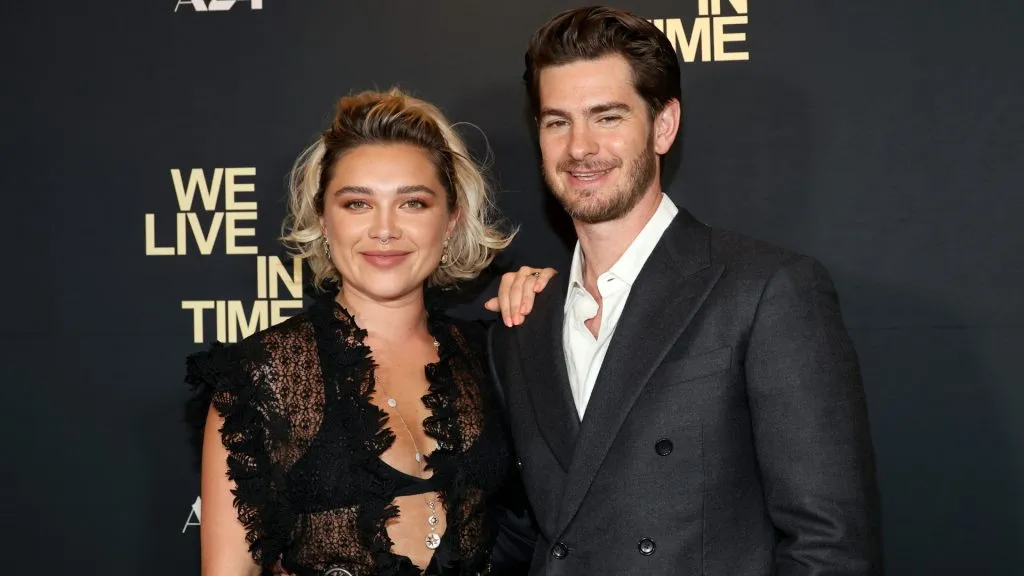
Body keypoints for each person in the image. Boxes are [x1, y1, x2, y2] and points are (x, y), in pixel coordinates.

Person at [487, 7, 883, 575]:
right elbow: (522, 534)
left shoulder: (767, 290)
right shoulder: (523, 323)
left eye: (606, 117)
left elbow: (830, 546)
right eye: (557, 121)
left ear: (663, 125)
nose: (579, 147)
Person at [186, 88, 552, 576]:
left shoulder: (493, 354)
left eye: (413, 204)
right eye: (357, 204)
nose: (384, 229)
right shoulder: (264, 376)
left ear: (451, 220)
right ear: (323, 219)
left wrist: (562, 304)